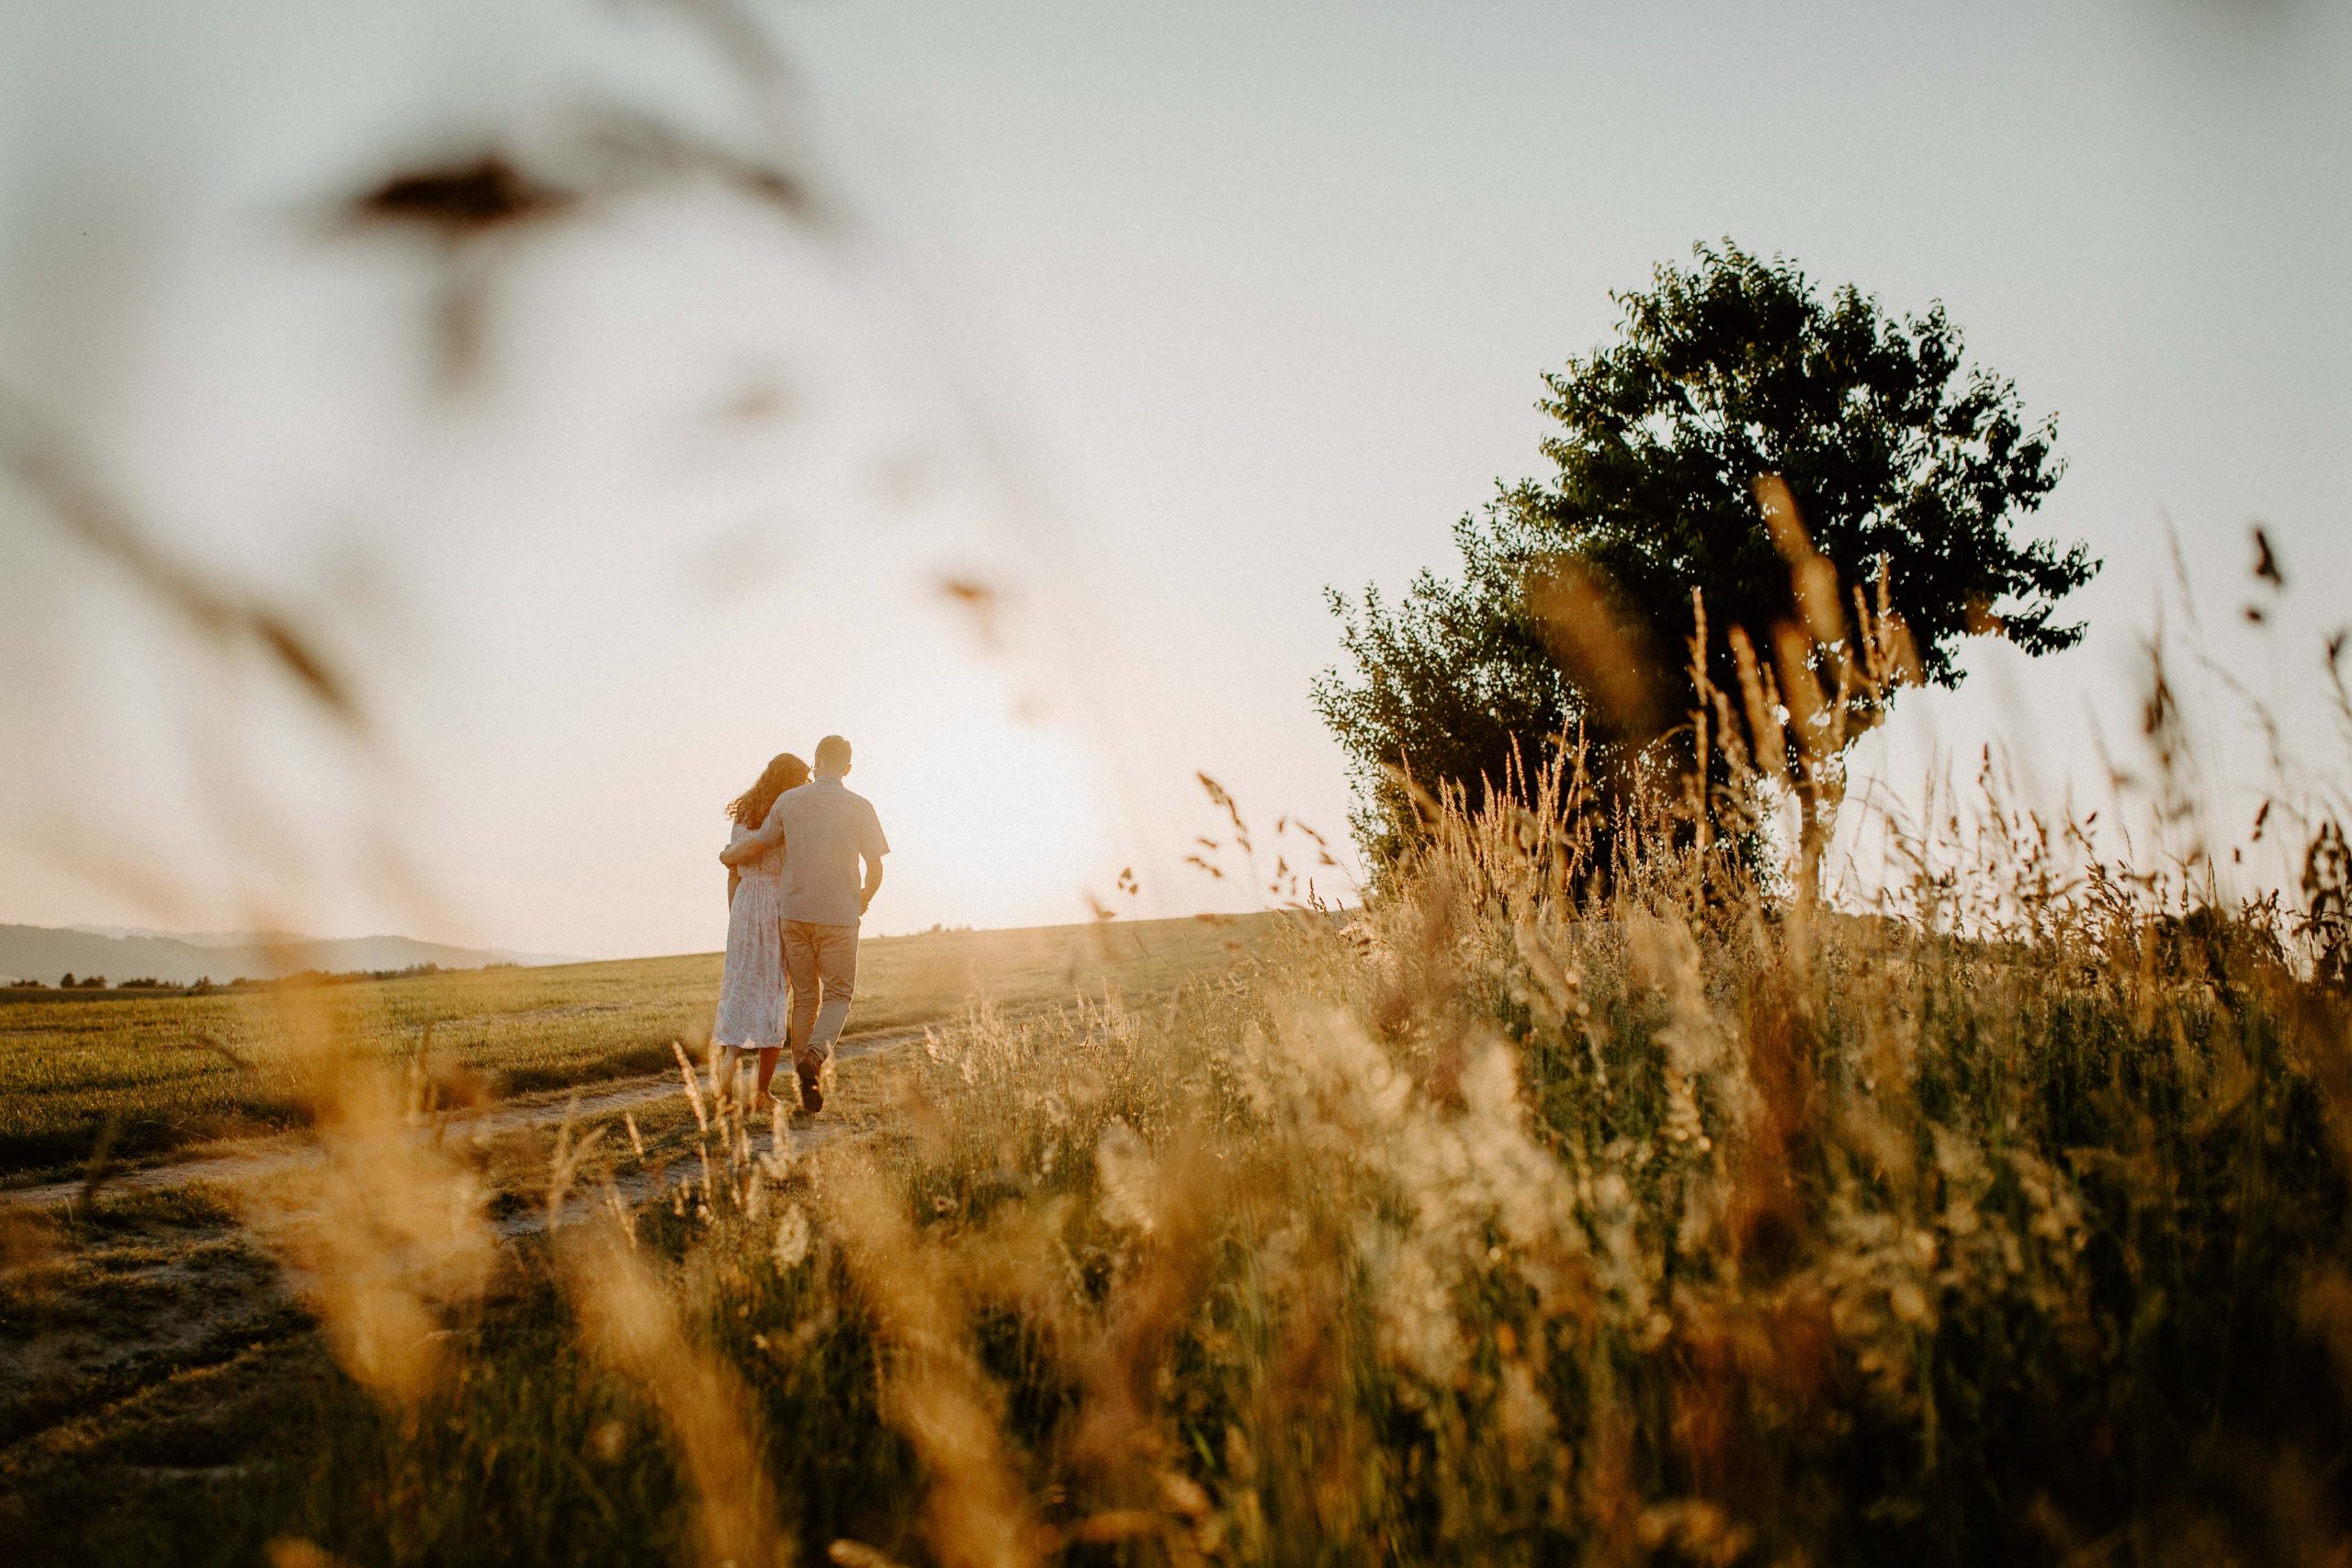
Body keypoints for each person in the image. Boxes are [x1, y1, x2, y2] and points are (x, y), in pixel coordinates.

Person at [721, 733, 886, 1111]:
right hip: (839, 916)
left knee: (804, 998)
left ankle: (800, 1081)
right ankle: (812, 1060)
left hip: (793, 914)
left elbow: (760, 844)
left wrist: (728, 856)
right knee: (838, 995)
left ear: (815, 761)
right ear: (847, 767)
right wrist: (864, 898)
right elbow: (875, 867)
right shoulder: (860, 806)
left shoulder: (788, 801)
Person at [711, 752, 808, 1110]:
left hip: (744, 904)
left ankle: (729, 1059)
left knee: (740, 988)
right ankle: (761, 1092)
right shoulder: (786, 814)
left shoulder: (745, 813)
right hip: (776, 903)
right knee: (773, 992)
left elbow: (733, 871)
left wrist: (735, 915)